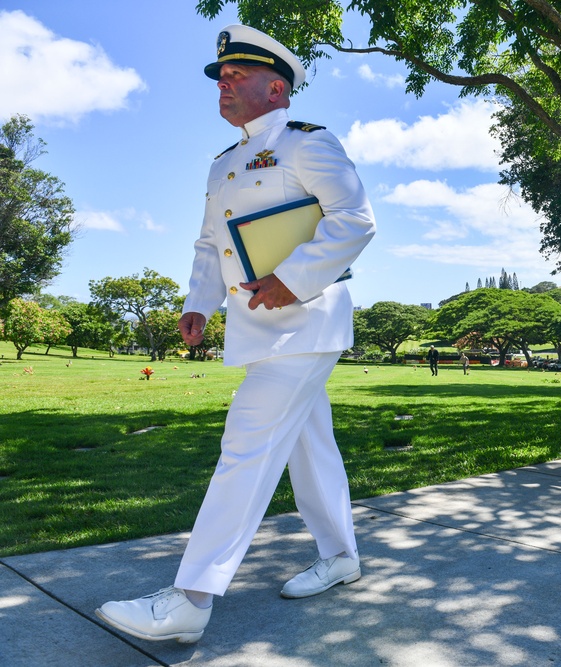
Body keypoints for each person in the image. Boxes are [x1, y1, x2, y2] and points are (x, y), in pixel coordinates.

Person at [95, 25, 376, 643]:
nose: (223, 83)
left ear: (277, 87)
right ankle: (341, 558)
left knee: (244, 448)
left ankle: (192, 598)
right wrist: (200, 302)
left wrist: (292, 280)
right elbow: (208, 243)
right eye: (219, 76)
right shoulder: (224, 163)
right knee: (310, 447)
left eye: (236, 75)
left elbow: (355, 220)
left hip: (305, 322)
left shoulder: (309, 144)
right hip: (257, 327)